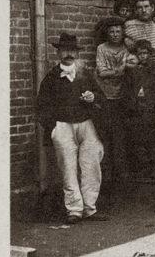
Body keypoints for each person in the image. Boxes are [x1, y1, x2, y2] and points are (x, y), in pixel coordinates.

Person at [37, 32, 105, 224]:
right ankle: (74, 209)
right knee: (67, 167)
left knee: (91, 165)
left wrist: (93, 99)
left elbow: (101, 97)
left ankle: (90, 208)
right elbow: (41, 106)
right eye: (65, 50)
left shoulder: (85, 74)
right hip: (63, 126)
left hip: (87, 125)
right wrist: (53, 128)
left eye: (72, 50)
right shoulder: (51, 77)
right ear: (59, 53)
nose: (69, 54)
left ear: (76, 53)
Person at [95, 18, 138, 195]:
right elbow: (102, 72)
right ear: (107, 33)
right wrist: (121, 69)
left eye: (118, 32)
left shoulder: (127, 48)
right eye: (111, 32)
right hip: (106, 97)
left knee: (122, 138)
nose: (114, 35)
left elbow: (134, 63)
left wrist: (119, 70)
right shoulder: (102, 49)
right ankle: (107, 179)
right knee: (106, 137)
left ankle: (124, 179)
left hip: (123, 97)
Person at [125, 39, 155, 181]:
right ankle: (144, 166)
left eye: (145, 53)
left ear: (150, 53)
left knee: (152, 137)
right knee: (138, 138)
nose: (143, 56)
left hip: (150, 107)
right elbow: (129, 89)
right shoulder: (132, 70)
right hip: (137, 108)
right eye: (140, 53)